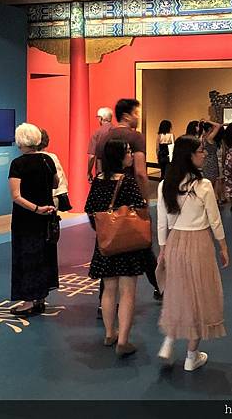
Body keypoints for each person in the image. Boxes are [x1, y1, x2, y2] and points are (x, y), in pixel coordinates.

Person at [156, 135, 229, 371]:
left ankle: (169, 340)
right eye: (200, 151)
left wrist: (163, 249)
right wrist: (223, 246)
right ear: (189, 155)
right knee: (201, 297)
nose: (204, 154)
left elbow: (161, 222)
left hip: (175, 242)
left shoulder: (165, 184)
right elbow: (215, 220)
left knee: (178, 292)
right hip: (199, 242)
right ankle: (191, 356)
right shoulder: (203, 185)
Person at [85, 139, 154, 357]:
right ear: (119, 156)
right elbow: (140, 208)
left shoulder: (98, 180)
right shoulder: (127, 181)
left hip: (105, 242)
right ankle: (123, 340)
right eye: (128, 152)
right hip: (127, 243)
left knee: (108, 289)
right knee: (127, 293)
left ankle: (109, 333)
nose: (131, 155)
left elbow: (90, 208)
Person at [95, 99, 161, 303]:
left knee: (107, 247)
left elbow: (99, 169)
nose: (138, 117)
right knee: (142, 244)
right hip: (130, 197)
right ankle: (160, 287)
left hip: (107, 198)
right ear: (127, 115)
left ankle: (103, 302)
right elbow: (140, 172)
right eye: (136, 113)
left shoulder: (104, 137)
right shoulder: (135, 137)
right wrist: (144, 200)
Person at [8, 123, 59, 316]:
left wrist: (36, 209)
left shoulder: (18, 164)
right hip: (47, 216)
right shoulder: (47, 160)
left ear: (20, 141)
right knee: (44, 255)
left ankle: (28, 301)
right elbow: (55, 183)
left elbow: (16, 196)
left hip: (26, 219)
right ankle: (40, 298)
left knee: (26, 257)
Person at [37, 129, 69, 210]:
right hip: (54, 195)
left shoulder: (27, 159)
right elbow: (60, 177)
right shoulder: (52, 157)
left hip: (38, 197)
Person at [87, 107, 113, 183]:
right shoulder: (117, 131)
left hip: (102, 172)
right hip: (117, 173)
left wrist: (89, 172)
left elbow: (92, 156)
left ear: (101, 118)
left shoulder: (97, 133)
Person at [200, 119, 222, 190]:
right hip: (212, 161)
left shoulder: (203, 137)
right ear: (210, 128)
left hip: (206, 161)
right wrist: (208, 121)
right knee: (212, 184)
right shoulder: (209, 137)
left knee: (208, 183)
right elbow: (218, 125)